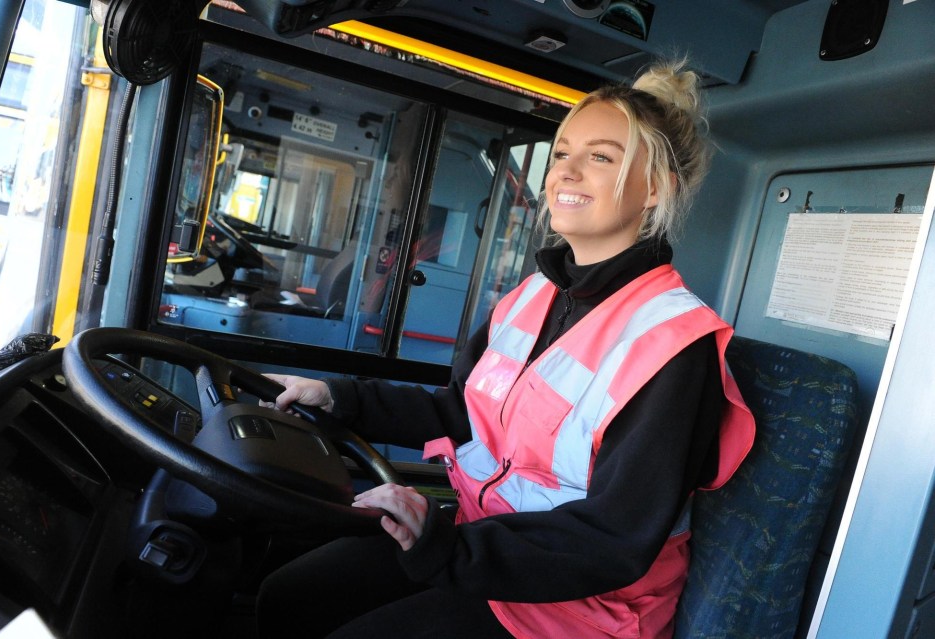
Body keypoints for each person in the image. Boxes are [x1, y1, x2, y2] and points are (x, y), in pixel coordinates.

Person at [256, 59, 756, 639]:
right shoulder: (534, 294)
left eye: (601, 157)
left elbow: (615, 538)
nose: (567, 172)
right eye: (562, 152)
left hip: (577, 607)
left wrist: (445, 549)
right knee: (290, 597)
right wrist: (339, 397)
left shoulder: (673, 344)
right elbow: (461, 413)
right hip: (480, 538)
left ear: (656, 189)